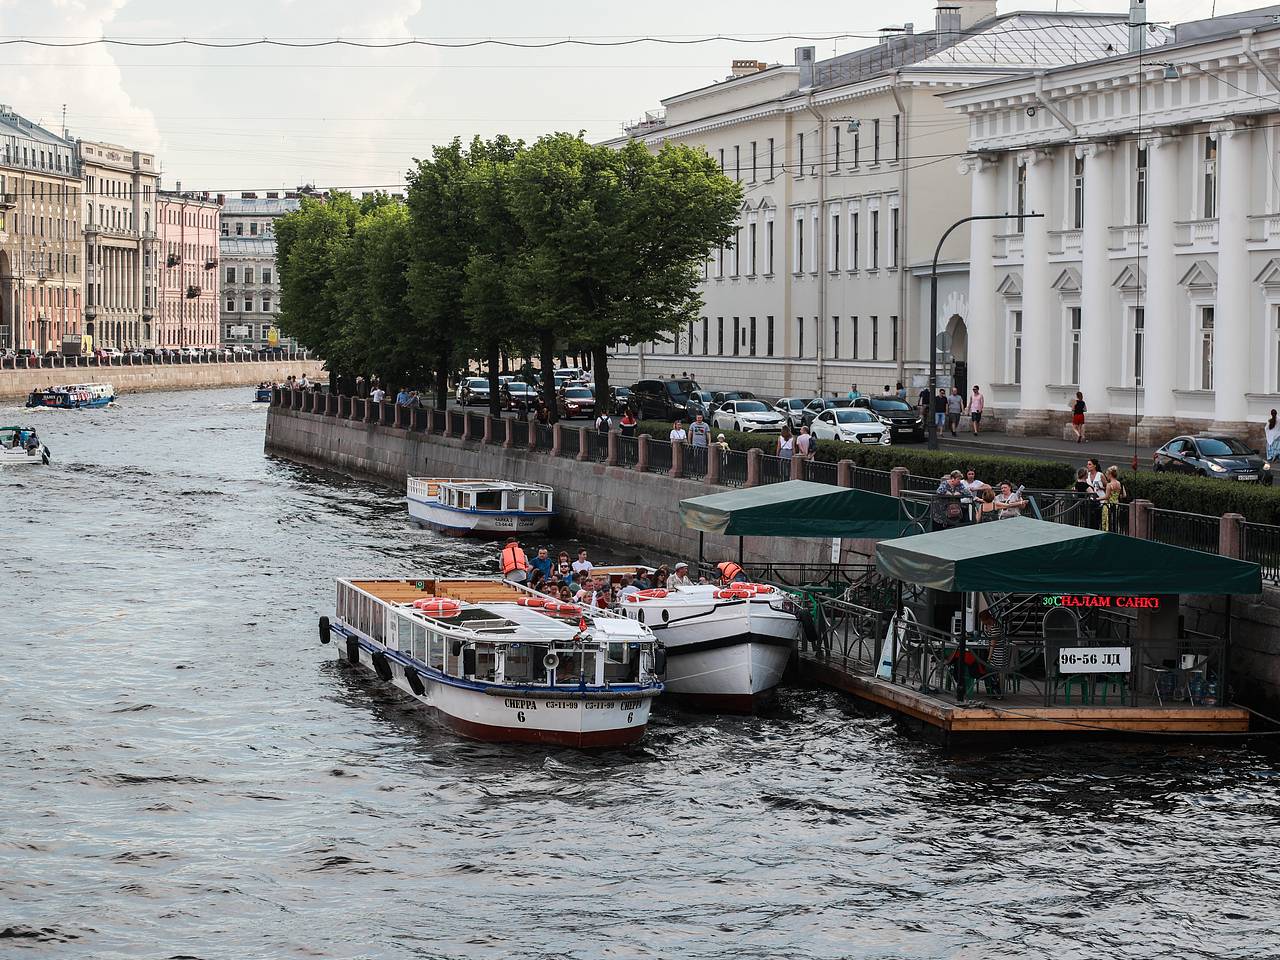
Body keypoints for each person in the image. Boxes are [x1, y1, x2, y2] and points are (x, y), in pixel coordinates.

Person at [1101, 465, 1126, 532]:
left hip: (1108, 505)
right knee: (1115, 521)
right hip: (1116, 504)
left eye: (1107, 474)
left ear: (1110, 475)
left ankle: (1106, 533)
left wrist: (1098, 498)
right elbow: (1124, 495)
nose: (1106, 476)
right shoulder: (1119, 483)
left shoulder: (1109, 485)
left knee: (1107, 521)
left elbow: (1106, 497)